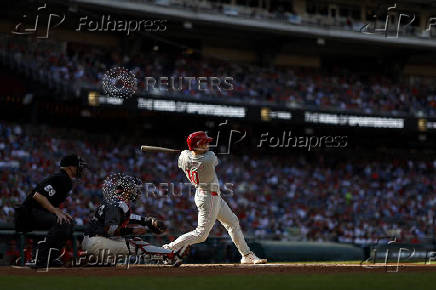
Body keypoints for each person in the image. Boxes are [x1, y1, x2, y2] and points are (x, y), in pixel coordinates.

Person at [163, 131, 267, 264]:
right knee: (201, 234)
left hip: (209, 195)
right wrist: (189, 151)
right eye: (204, 142)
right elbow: (208, 157)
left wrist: (188, 151)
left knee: (233, 222)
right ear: (197, 145)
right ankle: (167, 249)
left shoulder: (184, 157)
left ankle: (246, 254)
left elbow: (186, 155)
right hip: (208, 197)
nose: (208, 145)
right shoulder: (209, 158)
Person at [81, 173, 185, 266]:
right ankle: (170, 255)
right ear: (126, 190)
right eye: (133, 188)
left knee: (131, 246)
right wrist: (132, 230)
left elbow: (128, 217)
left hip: (94, 241)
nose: (136, 191)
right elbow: (111, 230)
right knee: (135, 244)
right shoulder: (117, 205)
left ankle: (90, 259)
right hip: (97, 242)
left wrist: (148, 221)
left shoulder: (115, 202)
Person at [14, 154, 87, 268]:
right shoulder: (61, 178)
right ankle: (40, 258)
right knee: (63, 223)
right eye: (78, 166)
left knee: (67, 222)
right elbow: (38, 196)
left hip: (36, 213)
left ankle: (49, 257)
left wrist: (59, 212)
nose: (80, 169)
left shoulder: (64, 179)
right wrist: (55, 211)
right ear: (70, 168)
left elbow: (48, 202)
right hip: (27, 214)